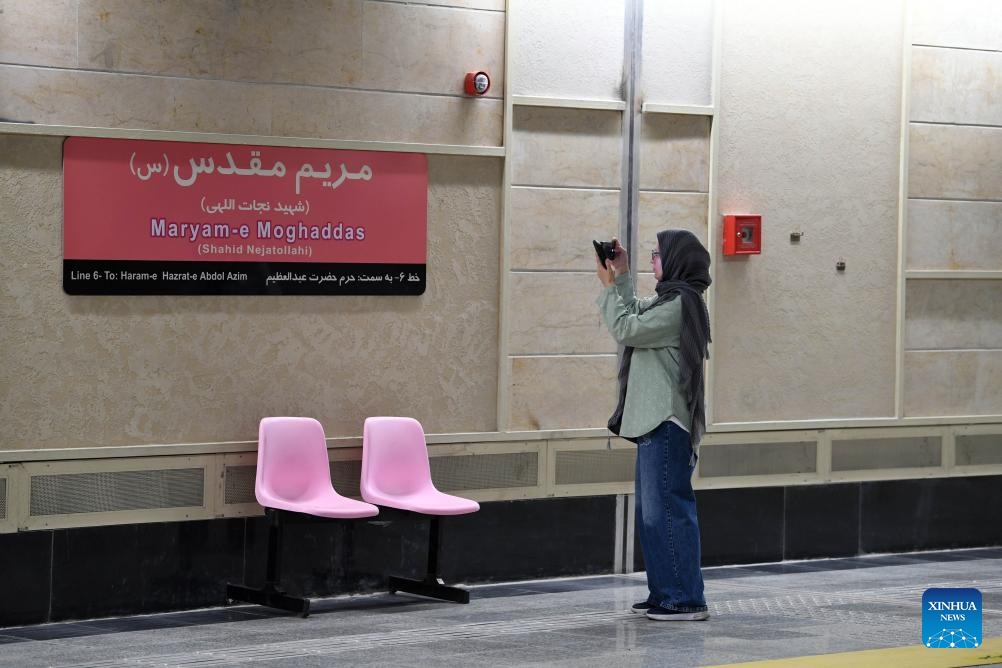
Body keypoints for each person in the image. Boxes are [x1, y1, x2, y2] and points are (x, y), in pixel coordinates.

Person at [594, 230, 712, 621]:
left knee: (668, 512)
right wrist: (622, 274)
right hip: (653, 421)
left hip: (666, 422)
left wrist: (609, 286)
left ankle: (685, 598)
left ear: (678, 260)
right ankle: (665, 593)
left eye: (658, 254)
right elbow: (633, 310)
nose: (652, 260)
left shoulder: (680, 305)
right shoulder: (668, 301)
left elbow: (627, 328)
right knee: (653, 515)